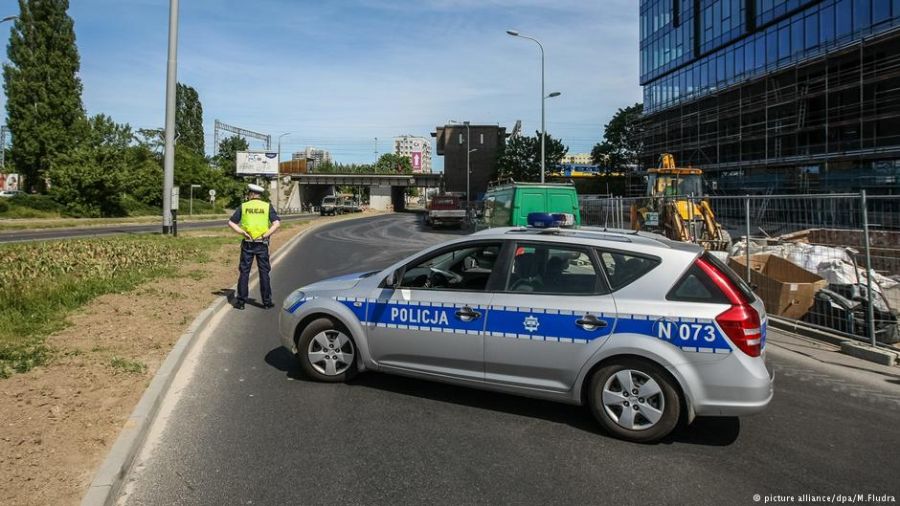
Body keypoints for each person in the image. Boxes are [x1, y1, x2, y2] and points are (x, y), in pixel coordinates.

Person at [228, 183, 281, 310]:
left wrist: (241, 232)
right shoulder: (266, 206)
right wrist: (266, 235)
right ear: (259, 195)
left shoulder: (244, 206)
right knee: (264, 273)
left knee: (244, 272)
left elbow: (231, 222)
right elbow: (277, 223)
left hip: (247, 243)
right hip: (261, 244)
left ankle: (241, 302)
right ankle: (267, 302)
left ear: (251, 194)